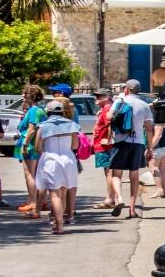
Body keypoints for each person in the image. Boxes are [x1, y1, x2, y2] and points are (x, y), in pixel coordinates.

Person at [34, 97, 83, 234]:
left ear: (48, 112)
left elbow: (38, 147)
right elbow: (75, 145)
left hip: (51, 159)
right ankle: (60, 220)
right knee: (64, 190)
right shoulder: (72, 125)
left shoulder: (43, 126)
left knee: (55, 194)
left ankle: (58, 224)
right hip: (68, 159)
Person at [108, 79, 153, 219]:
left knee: (116, 174)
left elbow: (109, 117)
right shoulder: (144, 105)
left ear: (126, 89)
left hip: (121, 141)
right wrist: (150, 147)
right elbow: (149, 128)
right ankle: (132, 210)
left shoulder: (120, 102)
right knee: (134, 176)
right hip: (138, 142)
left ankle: (120, 199)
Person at [92, 86, 119, 212]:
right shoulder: (105, 109)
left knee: (109, 172)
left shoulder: (107, 109)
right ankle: (111, 198)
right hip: (103, 144)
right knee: (108, 171)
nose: (96, 98)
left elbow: (110, 126)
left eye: (99, 96)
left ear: (107, 98)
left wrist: (107, 139)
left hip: (104, 145)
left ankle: (110, 199)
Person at [148, 124, 165, 196]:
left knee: (153, 167)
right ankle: (163, 190)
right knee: (162, 168)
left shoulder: (158, 119)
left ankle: (159, 190)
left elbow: (158, 135)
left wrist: (149, 148)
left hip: (158, 146)